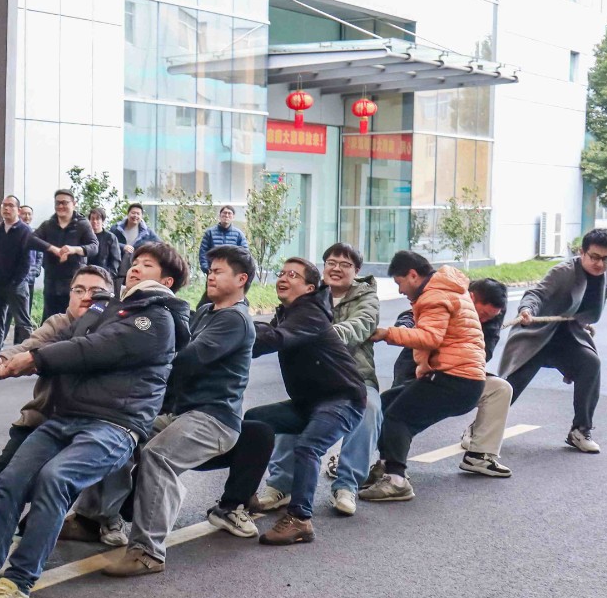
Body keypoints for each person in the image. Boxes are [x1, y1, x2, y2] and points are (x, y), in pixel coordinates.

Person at [0, 248, 186, 598]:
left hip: (115, 425)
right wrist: (7, 358)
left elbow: (93, 348)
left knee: (55, 478)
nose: (136, 268)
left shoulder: (156, 319)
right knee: (10, 480)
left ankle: (17, 586)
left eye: (147, 265)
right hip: (66, 418)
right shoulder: (106, 308)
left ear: (166, 281)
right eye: (135, 262)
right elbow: (54, 339)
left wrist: (34, 361)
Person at [70, 244, 257, 575]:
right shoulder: (207, 312)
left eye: (219, 271)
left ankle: (148, 552)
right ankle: (95, 518)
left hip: (214, 419)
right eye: (210, 270)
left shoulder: (235, 319)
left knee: (158, 456)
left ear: (241, 279)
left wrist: (140, 361)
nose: (210, 276)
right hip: (183, 413)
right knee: (121, 431)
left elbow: (185, 360)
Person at [0, 265, 116, 573]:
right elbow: (29, 346)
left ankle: (35, 538)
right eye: (79, 290)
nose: (85, 297)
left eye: (95, 291)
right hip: (42, 419)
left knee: (60, 482)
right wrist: (2, 358)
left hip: (90, 427)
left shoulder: (114, 330)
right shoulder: (58, 323)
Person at [241, 257, 367, 546]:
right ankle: (242, 496)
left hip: (342, 399)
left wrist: (237, 325)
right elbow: (259, 342)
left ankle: (300, 520)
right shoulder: (289, 313)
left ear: (310, 288)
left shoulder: (309, 313)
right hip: (309, 403)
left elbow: (274, 339)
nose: (283, 278)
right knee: (255, 421)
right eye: (281, 273)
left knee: (308, 446)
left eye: (293, 275)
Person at [360, 251, 486, 503]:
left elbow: (430, 337)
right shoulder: (447, 288)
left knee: (397, 417)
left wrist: (387, 333)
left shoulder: (434, 295)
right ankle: (385, 466)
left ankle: (397, 481)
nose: (400, 291)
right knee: (386, 403)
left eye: (399, 283)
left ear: (413, 275)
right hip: (462, 378)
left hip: (455, 379)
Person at [498, 229, 607, 454]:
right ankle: (478, 429)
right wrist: (526, 310)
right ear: (582, 252)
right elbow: (535, 294)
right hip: (537, 335)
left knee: (591, 364)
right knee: (511, 384)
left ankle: (580, 430)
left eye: (606, 258)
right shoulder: (564, 272)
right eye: (594, 257)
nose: (600, 264)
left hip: (569, 336)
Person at [456, 278, 514, 477]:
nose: (485, 320)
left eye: (490, 317)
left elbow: (486, 351)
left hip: (462, 371)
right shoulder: (450, 299)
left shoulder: (493, 315)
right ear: (471, 298)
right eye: (482, 314)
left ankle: (478, 456)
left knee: (501, 389)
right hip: (423, 373)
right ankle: (390, 466)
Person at [0, 194, 49, 357]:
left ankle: (28, 356)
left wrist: (17, 281)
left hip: (16, 285)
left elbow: (28, 261)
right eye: (4, 205)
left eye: (10, 205)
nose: (6, 208)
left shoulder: (25, 231)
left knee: (23, 323)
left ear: (18, 210)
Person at [33, 189, 97, 321]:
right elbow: (30, 240)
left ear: (74, 204)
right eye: (57, 203)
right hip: (52, 281)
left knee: (72, 319)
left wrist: (74, 249)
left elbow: (94, 246)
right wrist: (52, 249)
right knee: (50, 320)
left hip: (74, 281)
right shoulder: (48, 225)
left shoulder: (82, 224)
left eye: (65, 203)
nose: (61, 206)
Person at [198, 205, 248, 274]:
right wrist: (206, 269)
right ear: (220, 215)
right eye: (224, 213)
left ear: (233, 217)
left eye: (229, 213)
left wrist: (238, 270)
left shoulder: (239, 234)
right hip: (213, 272)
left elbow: (245, 254)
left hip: (231, 273)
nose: (227, 215)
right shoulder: (210, 233)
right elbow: (203, 252)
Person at [87, 207, 123, 286]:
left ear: (103, 221)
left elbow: (115, 261)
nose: (95, 221)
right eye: (92, 219)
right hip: (86, 276)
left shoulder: (111, 238)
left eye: (98, 219)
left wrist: (107, 276)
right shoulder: (85, 236)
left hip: (104, 278)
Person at [19, 204, 43, 318]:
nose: (27, 216)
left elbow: (40, 255)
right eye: (24, 214)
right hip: (15, 280)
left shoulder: (35, 235)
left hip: (30, 277)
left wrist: (36, 270)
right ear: (18, 214)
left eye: (29, 214)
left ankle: (24, 330)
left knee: (26, 309)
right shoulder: (14, 233)